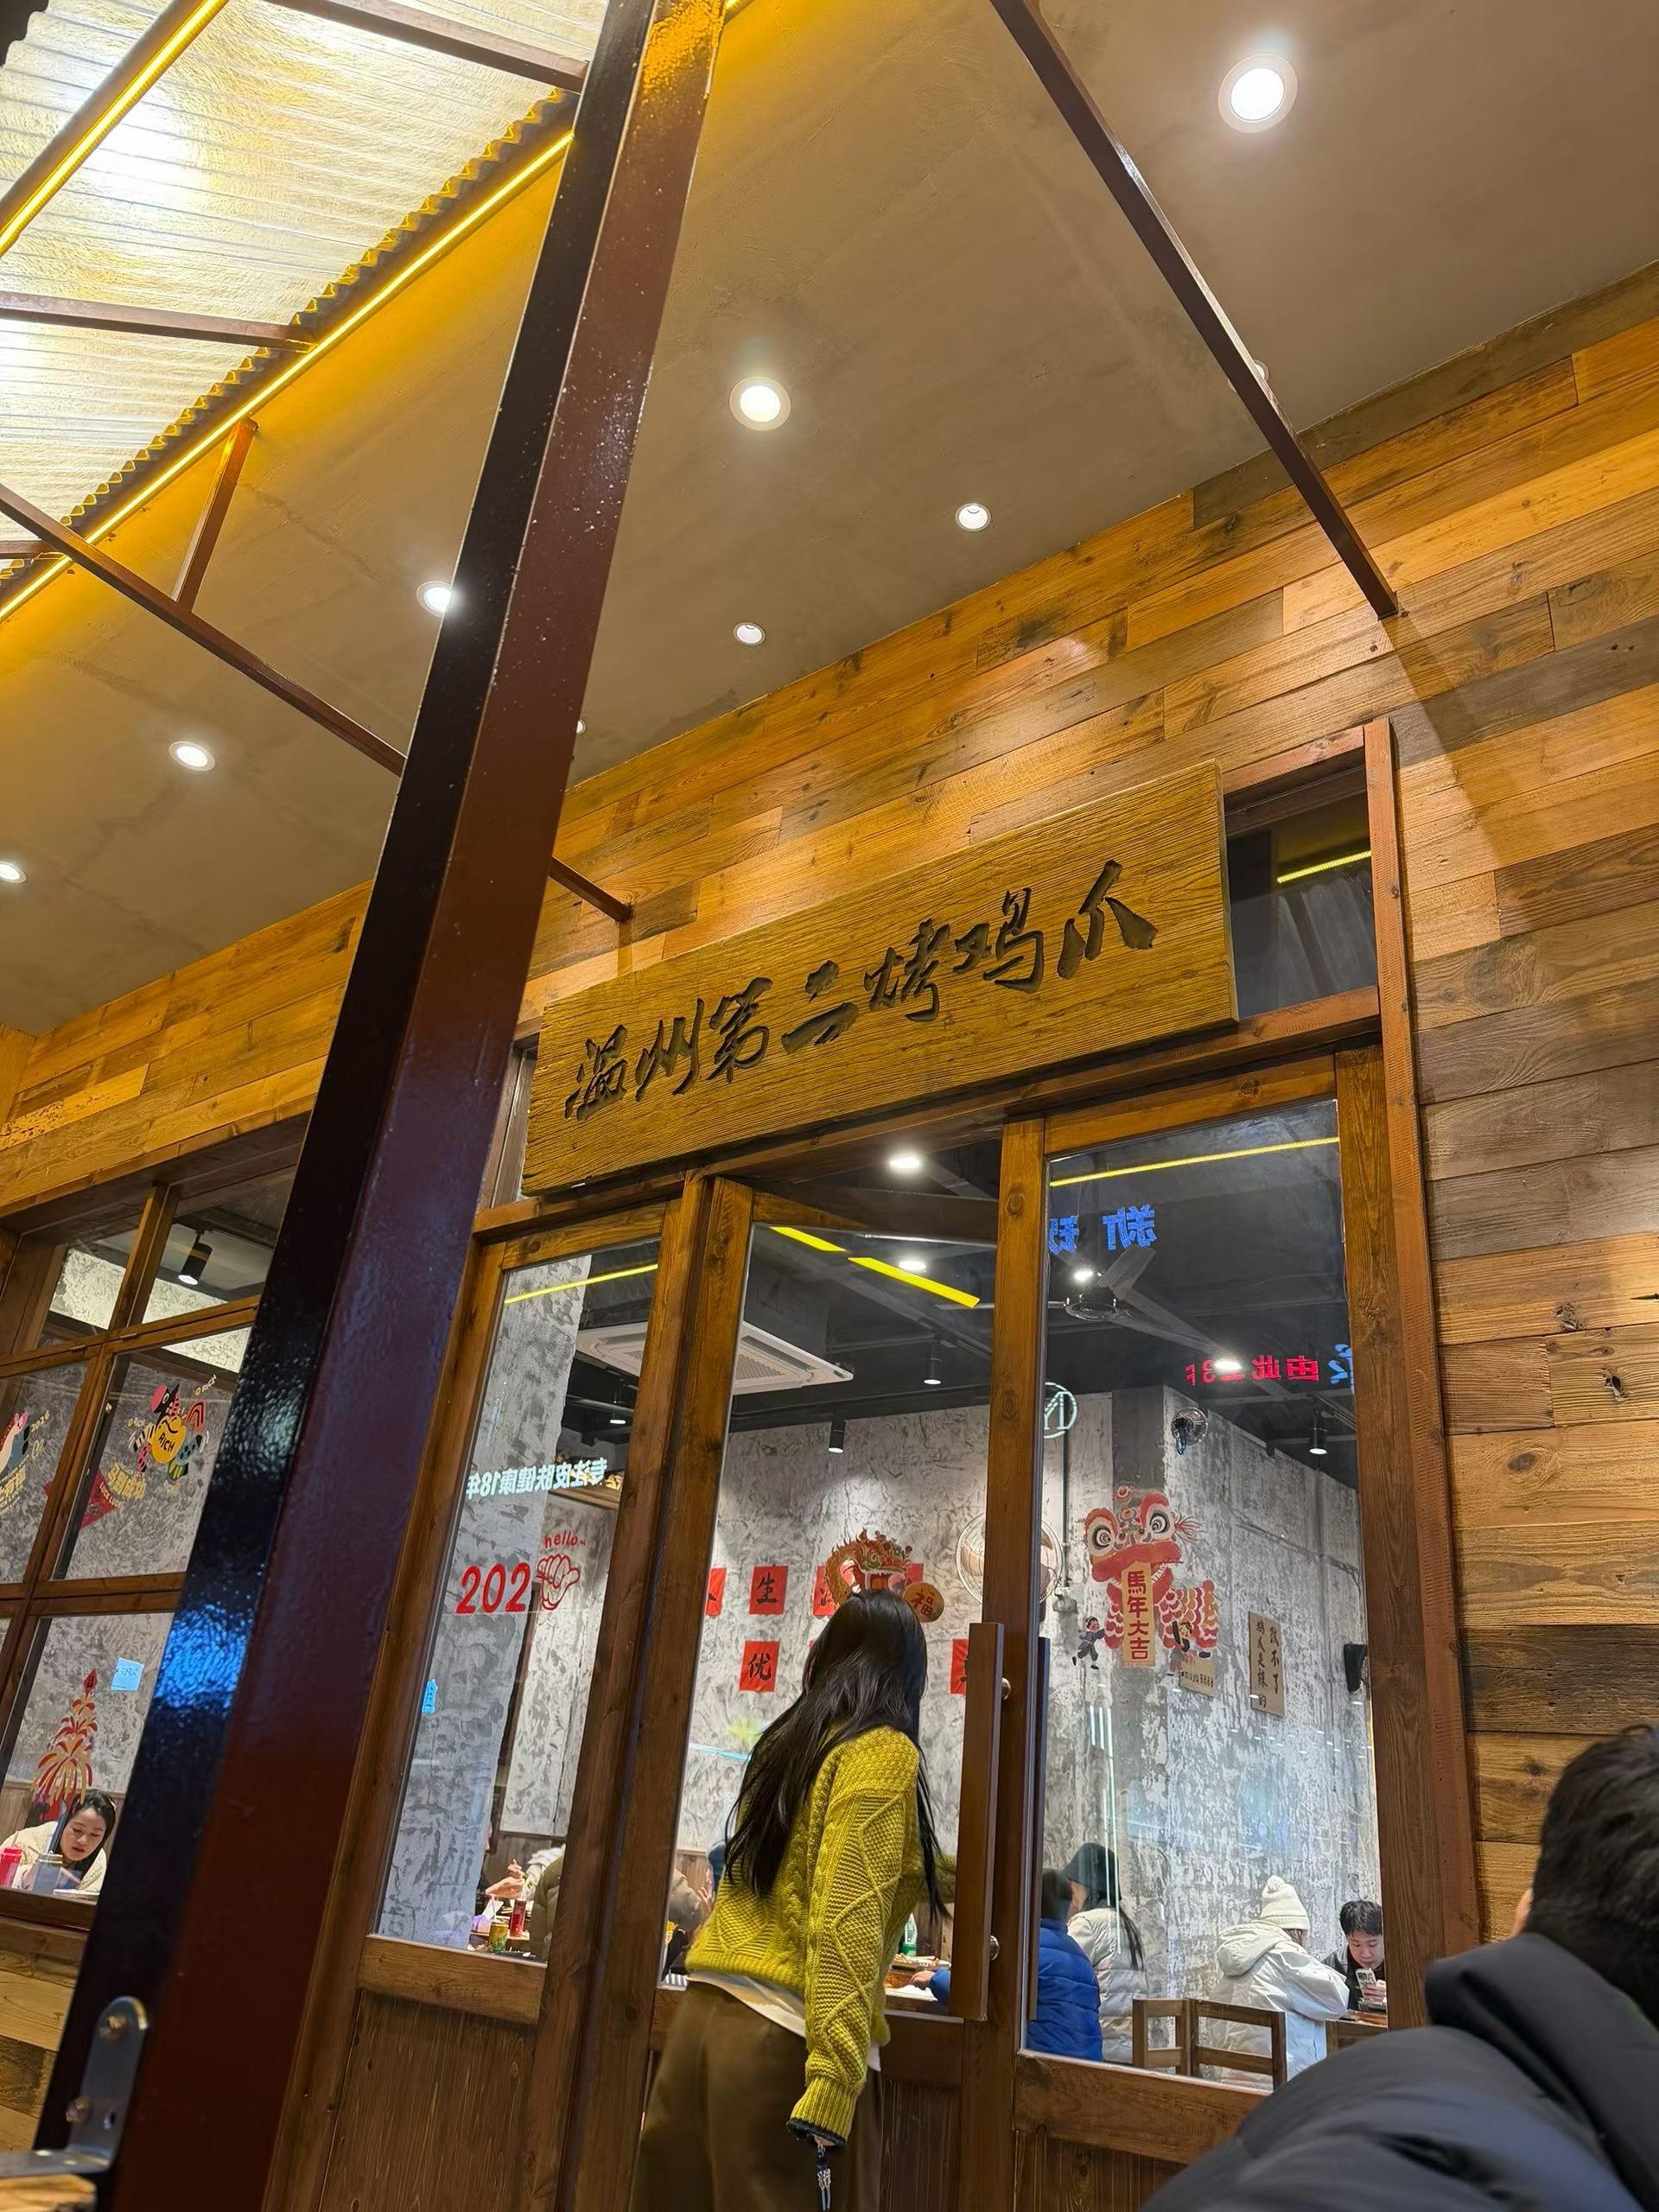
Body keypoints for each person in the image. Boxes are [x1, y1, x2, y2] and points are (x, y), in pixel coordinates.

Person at [1146, 1726, 1659, 2210]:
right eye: (1355, 1943)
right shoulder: (1582, 2177)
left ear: (1529, 1906)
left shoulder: (1337, 2087)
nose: (1363, 1952)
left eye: (1371, 1943)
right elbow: (1334, 1998)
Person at [630, 1590, 943, 2212]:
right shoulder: (881, 1751)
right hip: (783, 2048)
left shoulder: (785, 1744)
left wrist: (953, 1872)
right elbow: (846, 1921)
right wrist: (834, 2080)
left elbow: (812, 1864)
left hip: (701, 2028)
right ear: (908, 1675)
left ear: (828, 1655)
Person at [927, 1871, 1102, 2060]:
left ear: (1026, 1902)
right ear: (1067, 1910)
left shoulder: (1023, 1949)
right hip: (1087, 2068)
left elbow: (974, 1995)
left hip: (1038, 2066)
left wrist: (934, 1978)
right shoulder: (1082, 1959)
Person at [1211, 1876, 1348, 2075]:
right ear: (1299, 1932)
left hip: (1232, 2075)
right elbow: (1336, 2002)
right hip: (1282, 2081)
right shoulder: (1285, 1955)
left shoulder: (1242, 1953)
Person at [1064, 1842, 1148, 2063]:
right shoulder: (1128, 1925)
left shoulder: (1087, 1923)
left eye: (1074, 1881)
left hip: (1101, 2048)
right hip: (1133, 2048)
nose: (1071, 1887)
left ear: (1088, 1886)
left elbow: (1065, 1980)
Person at [1, 1789, 116, 1897]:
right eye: (77, 1830)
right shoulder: (26, 1842)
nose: (83, 1841)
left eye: (95, 1835)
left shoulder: (98, 1860)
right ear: (64, 1823)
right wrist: (26, 1876)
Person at [1325, 1897, 1386, 2012]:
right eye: (1356, 1945)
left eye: (1372, 1944)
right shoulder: (1333, 1967)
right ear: (1347, 1939)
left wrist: (1397, 1998)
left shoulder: (1407, 1962)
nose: (1366, 1954)